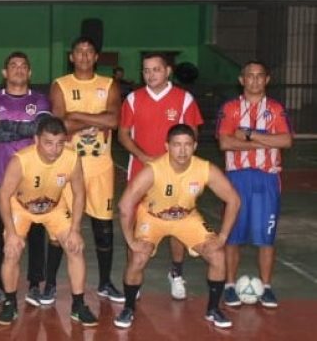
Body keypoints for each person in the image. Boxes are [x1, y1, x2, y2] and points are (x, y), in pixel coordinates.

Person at [115, 124, 240, 329]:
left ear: (195, 146)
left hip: (186, 217)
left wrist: (223, 236)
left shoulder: (204, 168)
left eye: (187, 145)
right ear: (167, 146)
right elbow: (125, 205)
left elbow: (233, 200)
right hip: (153, 217)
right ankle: (128, 307)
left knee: (217, 253)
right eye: (176, 145)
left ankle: (213, 309)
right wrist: (131, 241)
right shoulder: (153, 170)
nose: (182, 151)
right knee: (138, 256)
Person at [0, 117, 98, 327]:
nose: (54, 149)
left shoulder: (71, 158)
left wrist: (76, 229)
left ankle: (78, 306)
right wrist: (11, 233)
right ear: (36, 140)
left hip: (54, 208)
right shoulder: (21, 160)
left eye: (60, 143)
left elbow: (79, 193)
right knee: (12, 251)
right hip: (21, 208)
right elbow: (2, 196)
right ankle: (10, 302)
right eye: (48, 143)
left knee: (75, 247)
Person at [118, 53, 204, 300]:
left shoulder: (184, 99)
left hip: (175, 175)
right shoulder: (133, 99)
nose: (151, 74)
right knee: (135, 227)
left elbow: (192, 135)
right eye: (146, 70)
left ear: (168, 71)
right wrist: (144, 157)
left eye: (156, 69)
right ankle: (133, 277)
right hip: (140, 171)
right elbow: (123, 134)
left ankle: (176, 273)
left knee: (177, 221)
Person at [50, 37, 124, 303]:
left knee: (103, 228)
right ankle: (49, 284)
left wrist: (77, 117)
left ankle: (105, 282)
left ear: (96, 57)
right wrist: (92, 120)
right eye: (78, 52)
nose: (83, 56)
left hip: (101, 167)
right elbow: (60, 125)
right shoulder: (60, 85)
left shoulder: (109, 85)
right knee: (61, 227)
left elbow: (113, 120)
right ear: (72, 57)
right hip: (69, 167)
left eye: (89, 52)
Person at [0, 51, 56, 308]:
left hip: (32, 179)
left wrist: (6, 127)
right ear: (4, 72)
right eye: (13, 65)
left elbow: (40, 129)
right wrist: (23, 128)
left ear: (30, 72)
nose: (18, 69)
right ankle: (0, 286)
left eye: (23, 66)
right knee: (0, 234)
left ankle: (35, 284)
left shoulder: (40, 99)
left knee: (36, 231)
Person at [216, 61, 293, 308]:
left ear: (267, 80)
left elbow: (286, 141)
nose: (255, 80)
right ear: (242, 79)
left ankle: (266, 286)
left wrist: (248, 135)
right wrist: (267, 142)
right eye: (250, 76)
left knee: (266, 237)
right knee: (233, 236)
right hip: (237, 178)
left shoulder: (276, 109)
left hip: (266, 179)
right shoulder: (230, 108)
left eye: (260, 76)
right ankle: (229, 285)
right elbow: (225, 143)